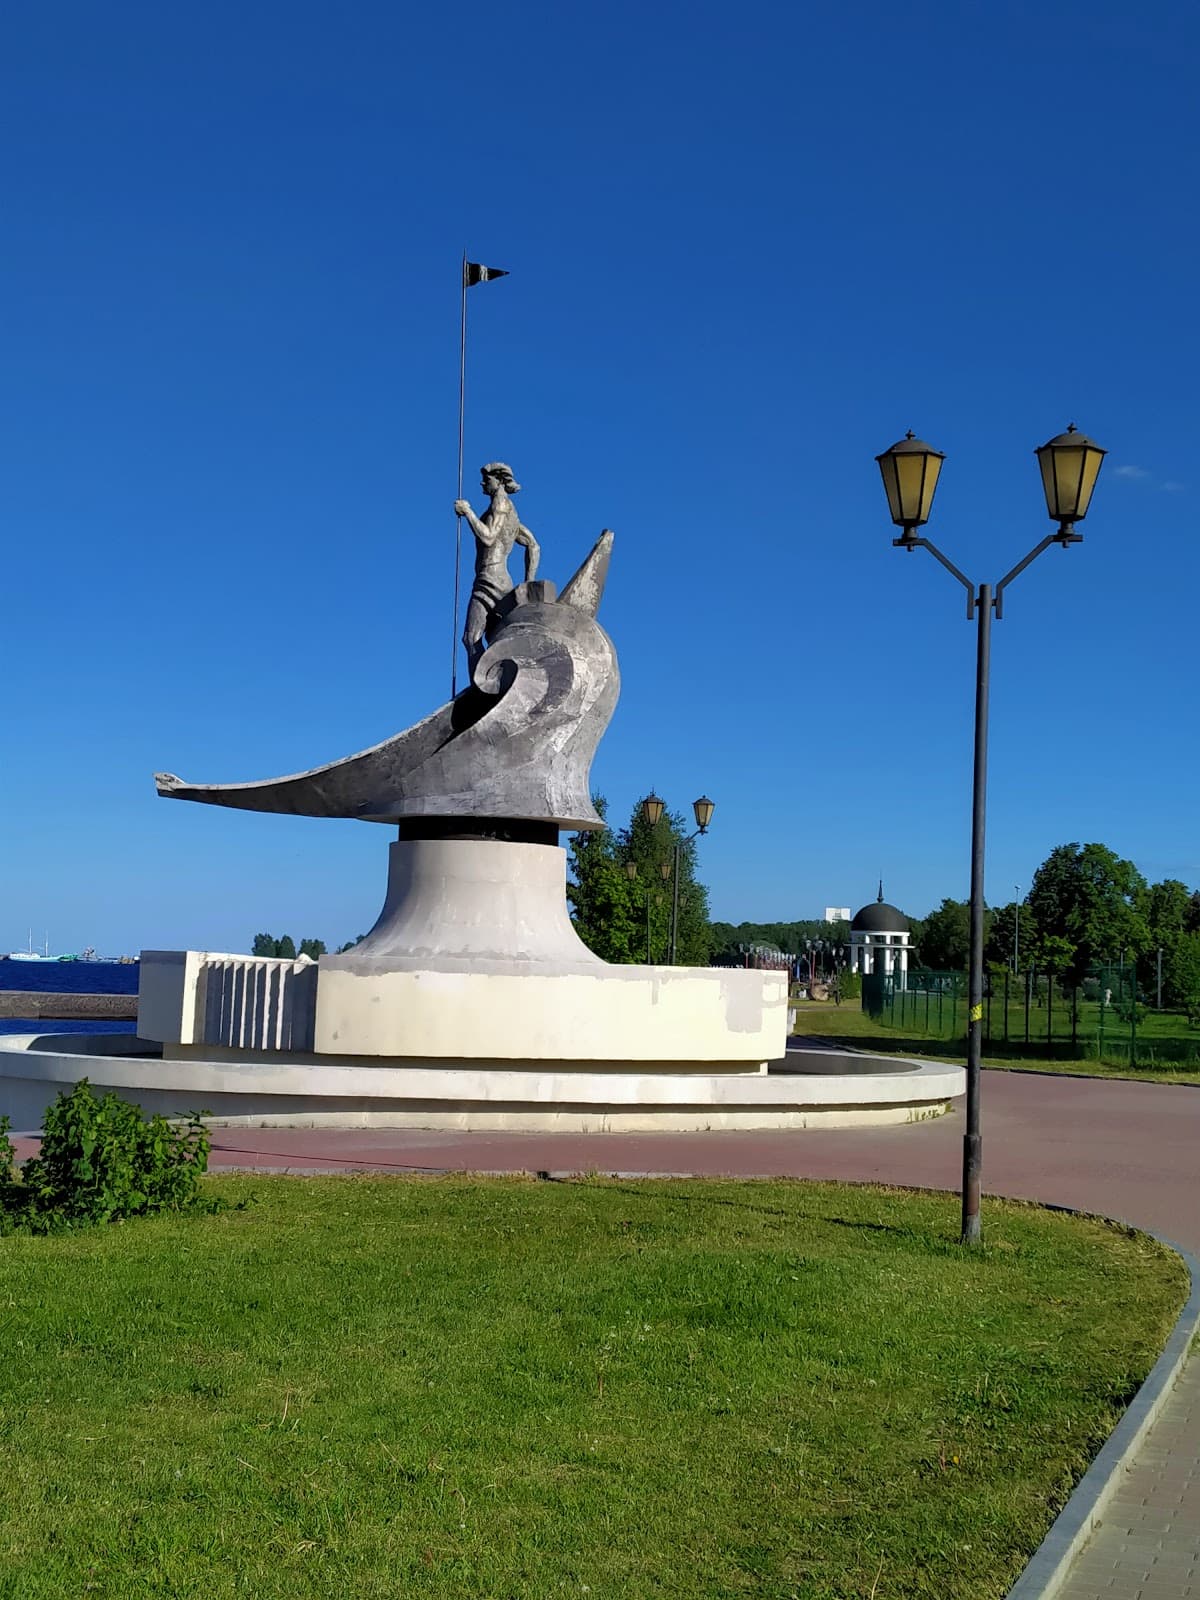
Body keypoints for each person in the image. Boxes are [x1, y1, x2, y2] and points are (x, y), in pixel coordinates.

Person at [455, 462, 541, 677]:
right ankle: (499, 682)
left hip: (488, 579)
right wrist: (528, 582)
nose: (483, 483)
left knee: (471, 638)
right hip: (503, 581)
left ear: (500, 480)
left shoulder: (500, 505)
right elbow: (533, 545)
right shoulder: (511, 512)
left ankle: (483, 688)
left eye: (487, 479)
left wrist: (468, 512)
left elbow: (488, 536)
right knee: (497, 638)